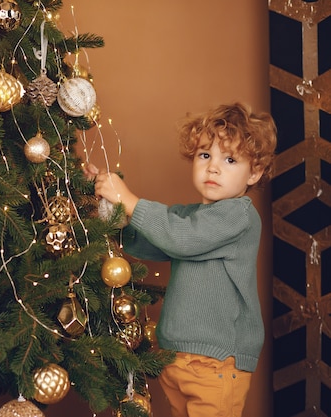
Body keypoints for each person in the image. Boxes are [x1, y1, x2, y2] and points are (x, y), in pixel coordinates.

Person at [86, 102, 277, 417]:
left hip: (216, 362)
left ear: (254, 172)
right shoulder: (190, 216)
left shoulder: (238, 215)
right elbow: (152, 242)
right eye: (205, 155)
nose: (213, 167)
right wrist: (107, 208)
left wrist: (129, 199)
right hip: (177, 358)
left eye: (230, 159)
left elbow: (181, 237)